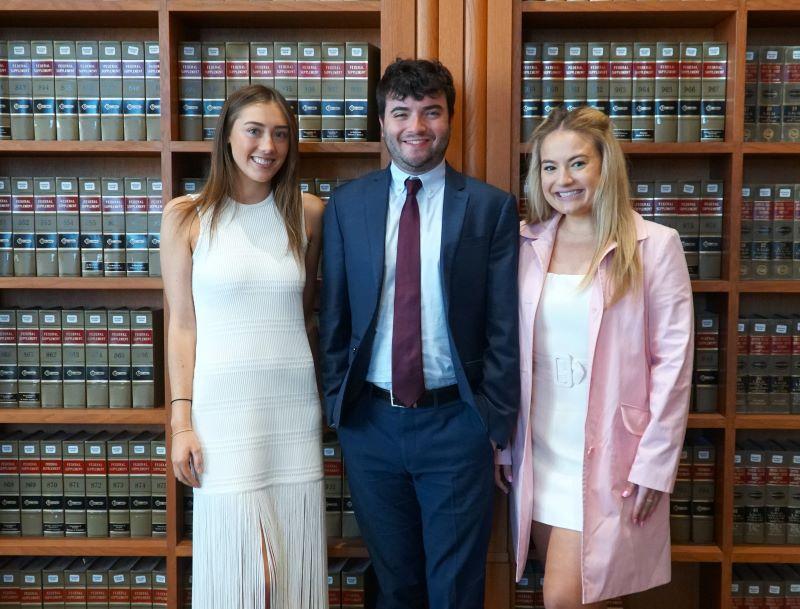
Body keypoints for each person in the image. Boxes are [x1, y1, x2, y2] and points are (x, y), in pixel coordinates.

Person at [319, 58, 519, 609]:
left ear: (450, 118)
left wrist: (493, 421)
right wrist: (341, 409)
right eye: (401, 112)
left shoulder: (489, 207)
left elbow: (504, 325)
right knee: (395, 583)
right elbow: (333, 317)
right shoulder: (347, 206)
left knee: (456, 588)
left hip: (457, 424)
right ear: (381, 120)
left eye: (431, 111)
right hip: (371, 425)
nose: (417, 126)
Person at [495, 105, 694, 608]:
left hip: (613, 456)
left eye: (577, 163)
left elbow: (674, 364)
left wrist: (655, 463)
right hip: (538, 450)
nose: (563, 179)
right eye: (549, 166)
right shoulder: (522, 245)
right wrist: (503, 443)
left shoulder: (654, 246)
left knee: (565, 596)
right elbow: (504, 349)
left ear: (606, 166)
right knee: (592, 596)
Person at [161, 85, 327, 609]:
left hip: (291, 408)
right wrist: (181, 422)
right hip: (222, 414)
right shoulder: (186, 216)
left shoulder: (310, 213)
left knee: (287, 574)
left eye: (280, 134)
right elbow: (182, 324)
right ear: (227, 136)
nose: (267, 146)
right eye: (254, 130)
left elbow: (305, 313)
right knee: (243, 576)